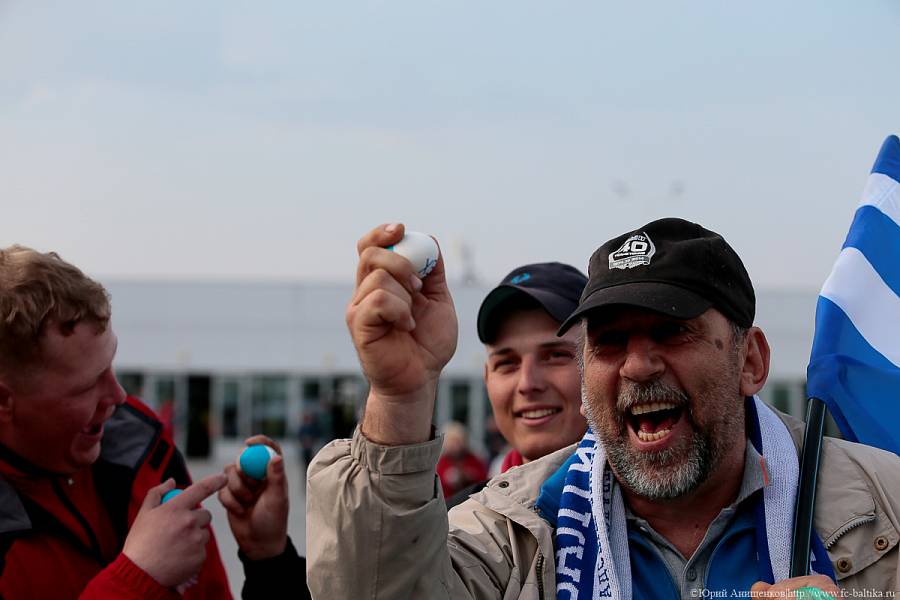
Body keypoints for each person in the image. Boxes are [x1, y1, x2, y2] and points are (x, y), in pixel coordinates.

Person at [306, 220, 900, 598]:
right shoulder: (515, 530)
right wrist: (401, 398)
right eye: (610, 343)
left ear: (751, 361)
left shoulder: (885, 505)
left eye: (672, 332)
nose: (638, 366)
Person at [0, 245, 232, 598]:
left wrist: (267, 558)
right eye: (87, 385)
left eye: (111, 366)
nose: (119, 396)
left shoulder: (140, 442)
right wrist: (135, 579)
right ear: (4, 401)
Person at [436, 422, 488, 498]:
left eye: (458, 441)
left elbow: (483, 480)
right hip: (447, 501)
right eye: (452, 441)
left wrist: (468, 477)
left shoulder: (474, 460)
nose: (455, 446)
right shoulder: (441, 462)